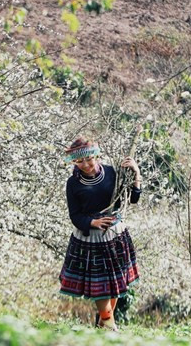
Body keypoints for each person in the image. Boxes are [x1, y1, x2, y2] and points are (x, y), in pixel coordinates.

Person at [58, 137, 142, 330]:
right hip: (90, 240)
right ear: (74, 162)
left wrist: (136, 172)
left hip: (115, 235)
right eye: (79, 161)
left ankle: (103, 325)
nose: (85, 165)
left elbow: (134, 198)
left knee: (113, 284)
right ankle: (110, 325)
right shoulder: (73, 183)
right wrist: (93, 222)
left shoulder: (112, 173)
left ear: (96, 156)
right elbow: (75, 216)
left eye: (89, 159)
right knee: (100, 285)